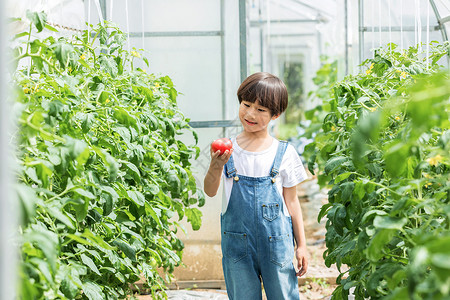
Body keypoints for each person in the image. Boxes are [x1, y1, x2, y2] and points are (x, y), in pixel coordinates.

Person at [203, 72, 309, 299]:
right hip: (237, 247)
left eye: (261, 110)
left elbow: (292, 202)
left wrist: (302, 245)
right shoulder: (227, 149)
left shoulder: (285, 152)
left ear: (275, 115)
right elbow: (210, 191)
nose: (250, 114)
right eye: (246, 104)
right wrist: (215, 165)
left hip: (277, 245)